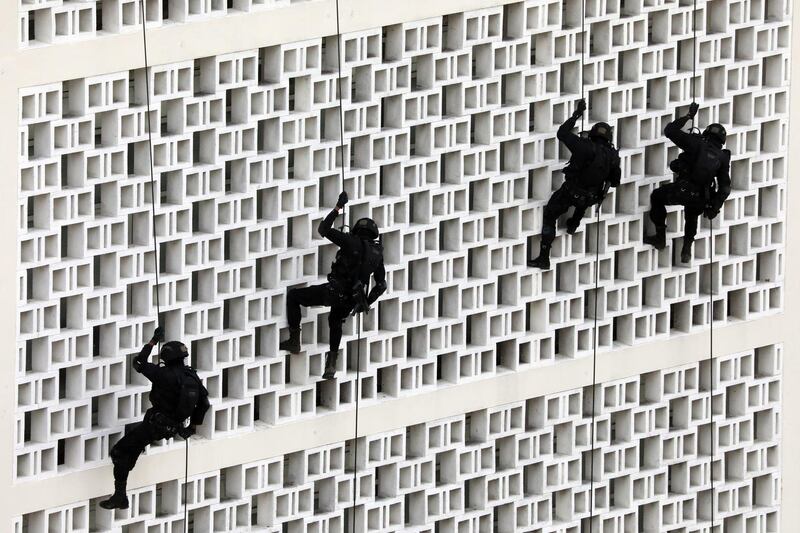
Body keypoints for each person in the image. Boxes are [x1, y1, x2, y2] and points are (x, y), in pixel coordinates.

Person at [279, 192, 386, 380]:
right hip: (351, 301)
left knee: (294, 296)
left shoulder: (349, 241)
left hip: (334, 292)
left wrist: (338, 207)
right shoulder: (377, 254)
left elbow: (323, 229)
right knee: (335, 320)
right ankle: (331, 363)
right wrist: (365, 302)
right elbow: (381, 285)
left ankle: (295, 340)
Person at [100, 327, 208, 510]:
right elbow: (204, 404)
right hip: (171, 427)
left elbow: (139, 363)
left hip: (155, 424)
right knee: (133, 446)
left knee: (119, 452)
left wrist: (152, 342)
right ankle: (123, 486)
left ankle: (120, 496)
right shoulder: (192, 376)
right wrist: (191, 428)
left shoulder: (163, 374)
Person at [528, 99, 621, 269]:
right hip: (590, 198)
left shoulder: (584, 146)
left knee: (550, 215)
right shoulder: (613, 157)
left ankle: (543, 257)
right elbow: (615, 182)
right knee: (585, 198)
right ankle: (574, 223)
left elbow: (562, 133)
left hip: (571, 192)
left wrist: (577, 114)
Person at [644, 103, 731, 262]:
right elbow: (725, 187)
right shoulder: (722, 157)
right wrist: (715, 206)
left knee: (657, 196)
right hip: (702, 198)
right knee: (692, 216)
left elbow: (670, 130)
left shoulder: (696, 143)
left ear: (707, 133)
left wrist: (688, 116)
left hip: (682, 190)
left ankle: (660, 237)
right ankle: (686, 250)